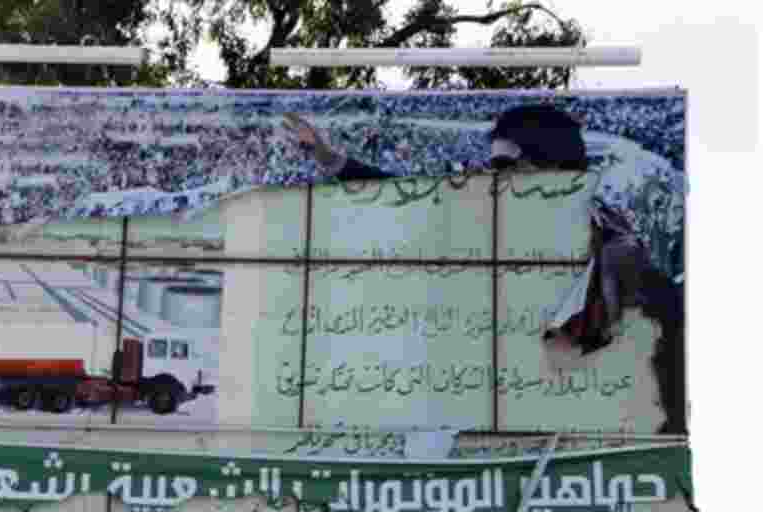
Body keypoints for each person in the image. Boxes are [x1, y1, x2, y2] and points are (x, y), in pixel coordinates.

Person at [281, 105, 686, 434]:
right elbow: (408, 198)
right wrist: (329, 158)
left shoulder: (620, 260)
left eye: (504, 165)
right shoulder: (497, 226)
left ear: (553, 170)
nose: (492, 178)